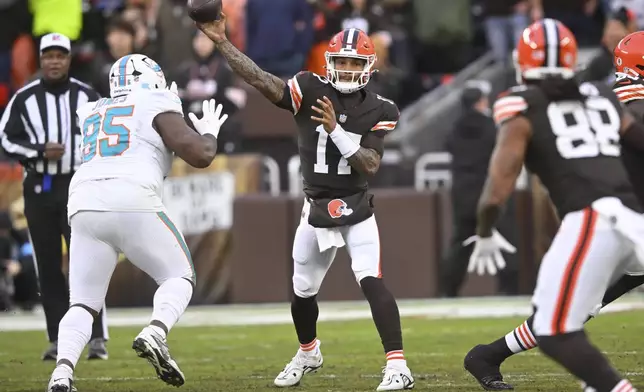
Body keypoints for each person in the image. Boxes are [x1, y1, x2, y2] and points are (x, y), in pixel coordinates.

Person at [197, 14, 414, 391]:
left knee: (371, 281)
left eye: (354, 62)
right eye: (341, 61)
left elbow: (370, 164)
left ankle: (398, 366)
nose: (346, 69)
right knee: (302, 290)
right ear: (329, 63)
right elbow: (259, 79)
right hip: (314, 207)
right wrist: (222, 42)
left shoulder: (382, 108)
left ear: (368, 66)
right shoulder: (309, 87)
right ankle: (308, 352)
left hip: (356, 206)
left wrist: (336, 130)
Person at [462, 19, 644, 392]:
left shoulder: (543, 100)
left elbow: (499, 187)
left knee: (559, 322)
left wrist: (484, 229)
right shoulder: (608, 96)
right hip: (615, 217)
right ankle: (491, 356)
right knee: (560, 320)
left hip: (607, 219)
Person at [45, 53, 229, 392]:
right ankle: (156, 331)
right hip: (129, 196)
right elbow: (200, 155)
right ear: (152, 78)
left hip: (83, 203)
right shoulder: (155, 99)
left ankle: (61, 374)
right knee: (179, 276)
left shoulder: (93, 109)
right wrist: (209, 133)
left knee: (84, 303)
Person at [0, 32, 109, 361]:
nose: (54, 61)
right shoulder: (25, 98)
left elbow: (106, 136)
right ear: (41, 59)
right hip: (40, 186)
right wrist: (37, 152)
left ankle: (96, 336)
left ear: (69, 59)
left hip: (79, 183)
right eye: (49, 55)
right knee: (47, 265)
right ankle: (57, 337)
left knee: (85, 263)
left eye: (61, 55)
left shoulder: (88, 96)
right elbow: (5, 139)